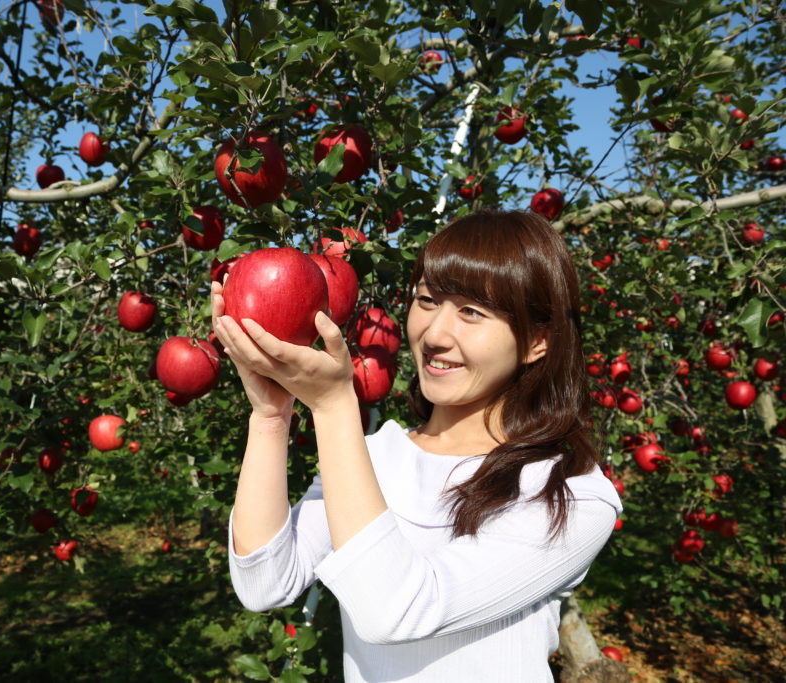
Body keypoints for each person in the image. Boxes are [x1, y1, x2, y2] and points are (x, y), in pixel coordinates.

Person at [210, 209, 623, 682]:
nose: (434, 334)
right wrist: (270, 416)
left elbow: (398, 611)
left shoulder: (569, 493)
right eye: (426, 300)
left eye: (471, 311)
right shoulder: (375, 457)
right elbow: (265, 582)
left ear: (537, 342)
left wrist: (333, 406)